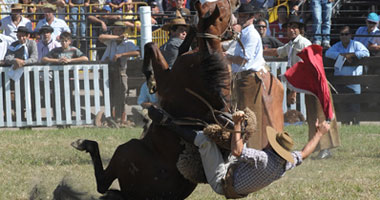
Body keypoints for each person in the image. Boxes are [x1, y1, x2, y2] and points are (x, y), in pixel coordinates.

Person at [147, 105, 331, 198]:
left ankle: (167, 122)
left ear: (272, 146)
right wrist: (319, 133)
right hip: (236, 176)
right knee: (235, 138)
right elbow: (305, 153)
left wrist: (236, 124)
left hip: (223, 181)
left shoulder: (262, 158)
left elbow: (237, 151)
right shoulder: (286, 162)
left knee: (206, 142)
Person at [264, 15, 340, 159]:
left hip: (316, 85)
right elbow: (278, 52)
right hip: (309, 87)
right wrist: (260, 52)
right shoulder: (292, 44)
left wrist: (293, 92)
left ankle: (325, 148)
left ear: (301, 30)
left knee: (320, 114)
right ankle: (318, 146)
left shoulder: (303, 43)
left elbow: (301, 69)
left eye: (294, 27)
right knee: (312, 116)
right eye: (289, 27)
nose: (291, 30)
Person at [224, 4, 267, 150]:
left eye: (244, 16)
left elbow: (244, 59)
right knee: (241, 112)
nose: (241, 18)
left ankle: (253, 147)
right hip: (242, 78)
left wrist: (227, 57)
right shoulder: (244, 33)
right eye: (240, 16)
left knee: (249, 114)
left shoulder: (251, 34)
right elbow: (232, 48)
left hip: (249, 78)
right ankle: (246, 146)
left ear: (251, 18)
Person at [325, 26, 370, 125]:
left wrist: (352, 55)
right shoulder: (337, 46)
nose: (344, 36)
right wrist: (343, 55)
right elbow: (328, 53)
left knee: (355, 103)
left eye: (346, 34)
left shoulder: (356, 44)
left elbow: (366, 53)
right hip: (340, 80)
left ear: (350, 35)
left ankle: (356, 123)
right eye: (342, 34)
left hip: (354, 80)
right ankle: (345, 122)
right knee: (342, 103)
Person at [99, 21, 140, 125]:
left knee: (121, 94)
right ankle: (110, 116)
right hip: (107, 70)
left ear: (123, 31)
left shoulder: (128, 43)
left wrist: (122, 55)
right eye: (115, 30)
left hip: (120, 70)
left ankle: (119, 117)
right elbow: (101, 37)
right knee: (108, 94)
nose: (117, 32)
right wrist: (116, 38)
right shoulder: (111, 41)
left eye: (119, 30)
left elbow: (137, 52)